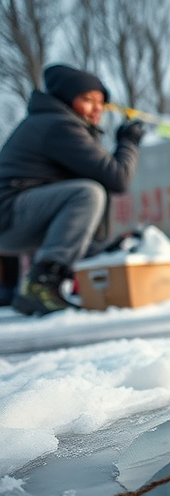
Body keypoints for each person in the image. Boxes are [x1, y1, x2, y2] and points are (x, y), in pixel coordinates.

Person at [0, 64, 145, 315]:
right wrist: (128, 143)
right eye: (87, 100)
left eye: (101, 102)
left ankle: (57, 282)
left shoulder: (53, 123)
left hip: (22, 217)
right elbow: (118, 177)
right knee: (86, 193)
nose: (97, 108)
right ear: (68, 100)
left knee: (90, 191)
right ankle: (41, 284)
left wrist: (98, 246)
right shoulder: (58, 125)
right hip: (10, 215)